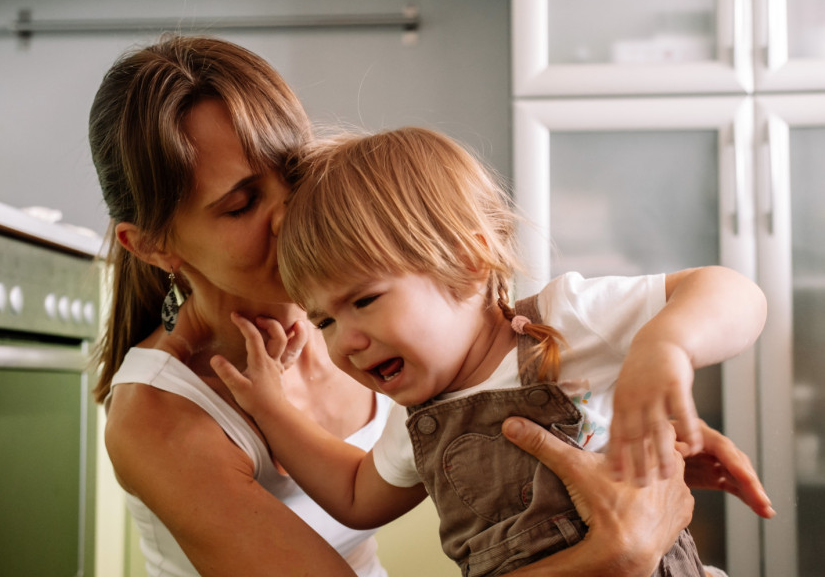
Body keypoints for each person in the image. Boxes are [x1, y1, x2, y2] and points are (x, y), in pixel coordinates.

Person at [90, 35, 770, 577]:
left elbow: (716, 295)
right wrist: (611, 556)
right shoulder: (163, 417)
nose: (288, 211)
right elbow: (359, 495)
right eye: (240, 204)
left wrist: (625, 410)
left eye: (291, 173)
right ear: (151, 246)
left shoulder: (395, 322)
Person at [211, 127, 770, 576]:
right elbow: (356, 496)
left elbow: (735, 293)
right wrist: (270, 408)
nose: (346, 341)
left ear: (469, 260)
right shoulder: (417, 425)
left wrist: (665, 343)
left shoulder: (564, 318)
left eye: (366, 300)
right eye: (324, 320)